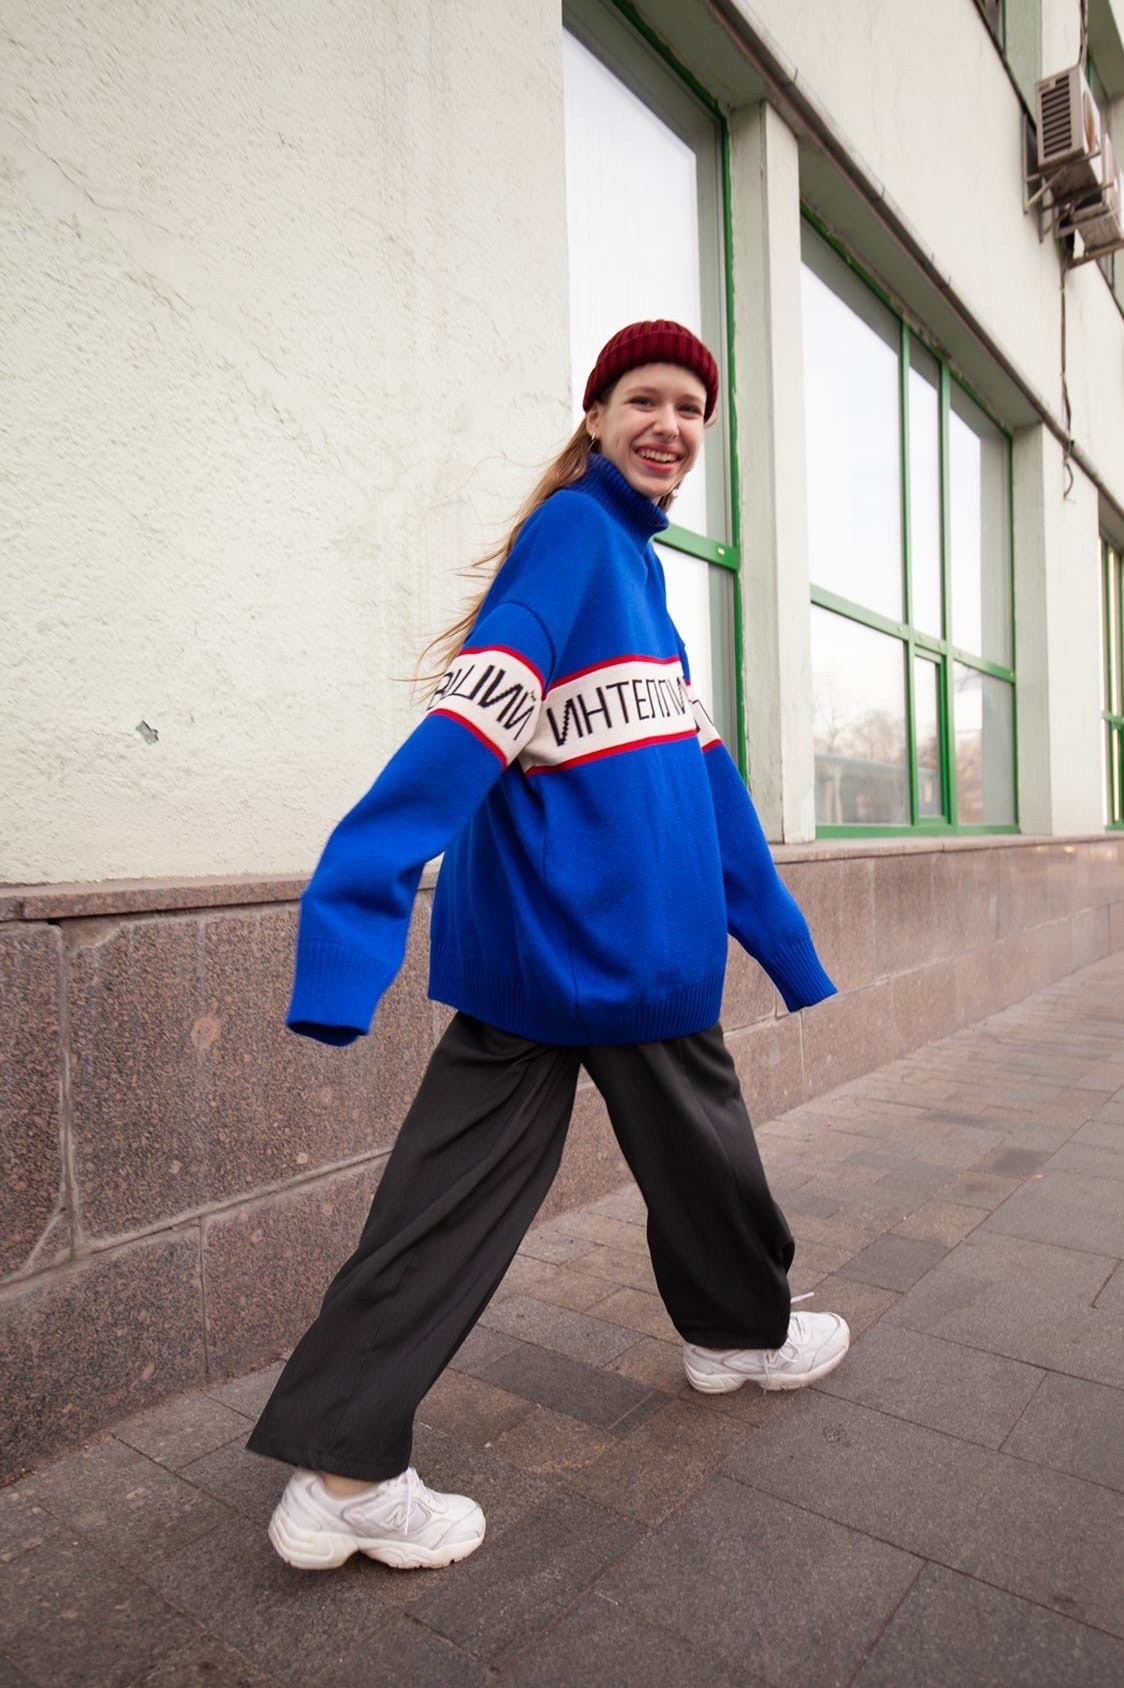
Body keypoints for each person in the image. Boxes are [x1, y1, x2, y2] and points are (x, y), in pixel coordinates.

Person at [247, 320, 850, 1573]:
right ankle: (734, 1335)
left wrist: (780, 940)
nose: (668, 425)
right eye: (643, 399)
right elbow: (468, 726)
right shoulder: (576, 538)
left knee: (470, 1201)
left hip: (555, 957)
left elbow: (704, 787)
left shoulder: (634, 572)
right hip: (618, 954)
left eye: (689, 408)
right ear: (594, 417)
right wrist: (355, 902)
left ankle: (348, 1464)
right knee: (705, 1164)